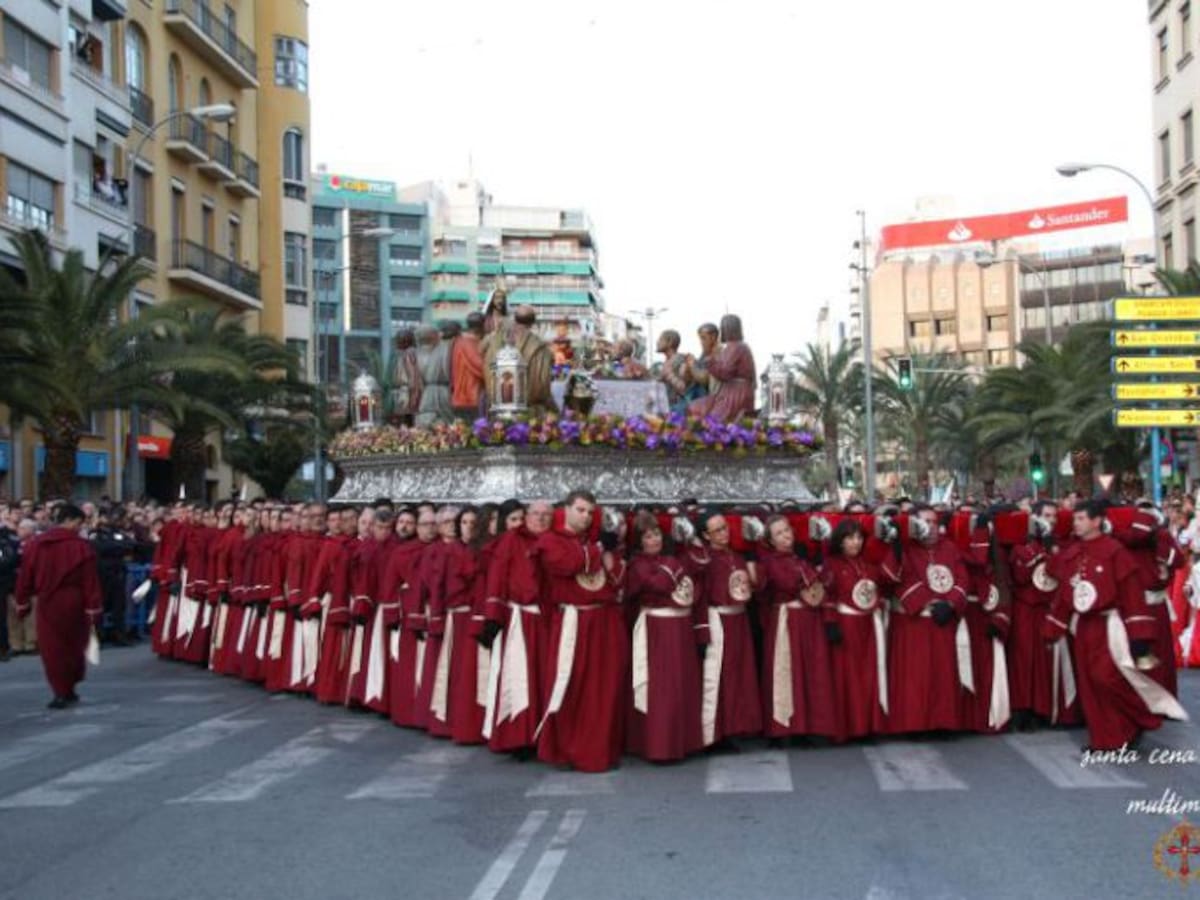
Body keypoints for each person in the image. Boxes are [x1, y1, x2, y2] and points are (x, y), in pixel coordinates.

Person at [1043, 500, 1189, 751]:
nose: (1075, 524)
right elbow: (1066, 593)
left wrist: (1139, 635)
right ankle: (1105, 739)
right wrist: (1053, 628)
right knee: (1089, 683)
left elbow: (1131, 594)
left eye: (1081, 519)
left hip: (1109, 625)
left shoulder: (1114, 551)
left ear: (1097, 520)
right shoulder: (1073, 553)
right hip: (1084, 627)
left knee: (1107, 677)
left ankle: (1139, 716)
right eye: (1075, 519)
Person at [535, 491, 629, 772]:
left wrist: (611, 553)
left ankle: (600, 749)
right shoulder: (550, 541)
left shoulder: (590, 542)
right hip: (574, 622)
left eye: (590, 512)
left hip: (604, 620)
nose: (585, 516)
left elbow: (612, 579)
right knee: (574, 686)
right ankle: (572, 750)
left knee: (605, 688)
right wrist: (600, 548)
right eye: (580, 510)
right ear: (566, 509)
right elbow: (568, 564)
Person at [880, 504, 971, 734]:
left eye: (933, 522)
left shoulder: (949, 547)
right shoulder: (906, 549)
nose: (930, 527)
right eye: (924, 522)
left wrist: (950, 603)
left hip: (943, 620)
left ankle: (943, 722)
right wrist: (928, 602)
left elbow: (962, 578)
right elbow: (895, 579)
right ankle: (915, 724)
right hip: (914, 623)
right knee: (915, 678)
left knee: (943, 676)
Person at [625, 513, 705, 762]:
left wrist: (690, 541)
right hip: (656, 628)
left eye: (657, 534)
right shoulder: (638, 564)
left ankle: (684, 742)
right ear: (639, 541)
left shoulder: (672, 559)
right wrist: (676, 567)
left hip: (680, 625)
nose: (654, 540)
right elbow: (659, 584)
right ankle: (660, 745)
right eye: (648, 536)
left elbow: (700, 566)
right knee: (661, 687)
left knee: (682, 684)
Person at [680, 511, 762, 748]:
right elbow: (700, 597)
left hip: (739, 621)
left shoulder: (736, 557)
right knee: (718, 678)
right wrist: (702, 630)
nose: (724, 533)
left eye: (725, 528)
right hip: (717, 620)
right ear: (705, 535)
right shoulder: (703, 560)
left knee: (739, 677)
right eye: (717, 530)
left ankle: (737, 728)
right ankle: (714, 734)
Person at [481, 499, 552, 756]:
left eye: (546, 515)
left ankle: (545, 736)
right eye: (536, 514)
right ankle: (518, 737)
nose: (541, 519)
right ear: (527, 516)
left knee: (546, 678)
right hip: (519, 620)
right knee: (518, 678)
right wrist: (492, 616)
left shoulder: (556, 541)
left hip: (548, 620)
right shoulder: (511, 540)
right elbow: (497, 576)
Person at [758, 515, 839, 741]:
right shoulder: (770, 561)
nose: (786, 536)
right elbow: (788, 582)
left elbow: (825, 582)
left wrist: (820, 558)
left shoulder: (799, 558)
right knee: (787, 671)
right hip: (787, 619)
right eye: (779, 534)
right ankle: (785, 727)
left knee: (811, 671)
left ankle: (811, 725)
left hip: (809, 619)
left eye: (787, 531)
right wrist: (814, 571)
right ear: (771, 541)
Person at [14, 504, 103, 709]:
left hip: (48, 601)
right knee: (73, 645)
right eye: (79, 523)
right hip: (75, 600)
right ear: (70, 520)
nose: (80, 527)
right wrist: (93, 607)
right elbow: (90, 581)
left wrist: (22, 601)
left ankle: (60, 690)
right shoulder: (81, 546)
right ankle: (69, 687)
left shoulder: (36, 544)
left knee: (53, 647)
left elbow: (25, 576)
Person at [1008, 501, 1080, 728]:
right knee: (1024, 659)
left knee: (1048, 660)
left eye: (1054, 516)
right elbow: (1020, 575)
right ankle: (1023, 708)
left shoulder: (1059, 546)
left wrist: (1051, 548)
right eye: (1046, 516)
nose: (1051, 521)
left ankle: (1047, 709)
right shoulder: (1021, 547)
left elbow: (1062, 573)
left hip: (1049, 608)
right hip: (1027, 609)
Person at [821, 518, 888, 740]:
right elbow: (828, 594)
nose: (855, 542)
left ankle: (869, 726)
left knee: (869, 675)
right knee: (847, 678)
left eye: (859, 538)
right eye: (850, 538)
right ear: (840, 541)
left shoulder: (868, 565)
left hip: (869, 626)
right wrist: (831, 622)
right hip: (846, 625)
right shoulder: (832, 565)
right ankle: (847, 728)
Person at [686, 314, 756, 423]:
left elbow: (725, 373)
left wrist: (709, 362)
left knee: (711, 420)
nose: (722, 330)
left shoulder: (736, 347)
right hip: (727, 392)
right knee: (694, 407)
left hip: (736, 395)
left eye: (723, 327)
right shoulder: (734, 347)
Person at [415, 326, 454, 426]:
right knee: (446, 421)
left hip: (428, 392)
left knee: (428, 417)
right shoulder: (444, 349)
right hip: (442, 391)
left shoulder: (418, 353)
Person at [451, 312, 486, 420]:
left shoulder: (460, 341)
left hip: (464, 398)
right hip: (469, 397)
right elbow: (480, 367)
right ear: (481, 327)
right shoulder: (468, 343)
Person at [390, 329, 423, 426]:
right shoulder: (414, 352)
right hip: (410, 390)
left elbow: (412, 375)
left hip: (408, 391)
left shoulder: (408, 354)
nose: (396, 343)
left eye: (398, 340)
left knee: (407, 419)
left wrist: (412, 393)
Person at [656, 330, 694, 415]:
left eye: (660, 339)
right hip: (667, 407)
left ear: (669, 342)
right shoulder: (667, 362)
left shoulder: (680, 360)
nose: (657, 342)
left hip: (678, 409)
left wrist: (669, 375)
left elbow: (684, 388)